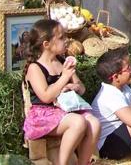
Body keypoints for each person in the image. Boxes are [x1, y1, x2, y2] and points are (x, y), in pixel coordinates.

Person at [22, 19, 101, 165]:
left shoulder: (61, 60)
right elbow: (45, 96)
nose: (66, 40)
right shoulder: (35, 68)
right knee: (78, 122)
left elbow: (81, 88)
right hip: (43, 115)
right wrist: (64, 78)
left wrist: (73, 86)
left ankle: (83, 163)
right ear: (46, 44)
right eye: (61, 37)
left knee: (94, 123)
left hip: (65, 110)